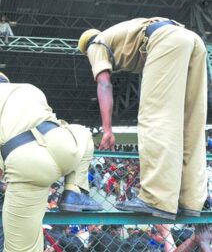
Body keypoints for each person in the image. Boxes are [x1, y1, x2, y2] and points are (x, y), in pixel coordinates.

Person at [78, 17, 208, 220]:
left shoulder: (95, 44)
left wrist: (108, 129)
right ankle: (191, 200)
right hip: (192, 40)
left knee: (155, 117)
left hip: (166, 39)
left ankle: (156, 198)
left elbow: (104, 84)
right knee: (191, 122)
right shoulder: (120, 35)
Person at [0, 71, 103, 252]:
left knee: (23, 248)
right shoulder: (29, 89)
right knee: (83, 132)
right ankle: (74, 191)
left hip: (26, 163)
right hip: (65, 146)